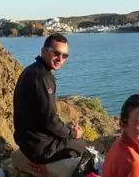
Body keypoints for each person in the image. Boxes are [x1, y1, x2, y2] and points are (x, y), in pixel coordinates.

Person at [13, 33, 87, 164]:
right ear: (44, 51)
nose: (60, 59)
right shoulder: (43, 78)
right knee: (83, 146)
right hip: (39, 148)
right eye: (56, 53)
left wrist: (67, 129)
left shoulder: (31, 70)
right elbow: (50, 121)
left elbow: (43, 116)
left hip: (28, 141)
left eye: (65, 56)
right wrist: (74, 134)